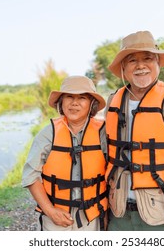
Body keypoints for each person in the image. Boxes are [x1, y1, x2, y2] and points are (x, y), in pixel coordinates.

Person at [104, 30, 164, 231]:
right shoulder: (112, 101)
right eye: (132, 60)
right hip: (118, 211)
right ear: (123, 67)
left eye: (147, 58)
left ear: (158, 62)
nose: (140, 65)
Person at [22, 75, 108, 231]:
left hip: (93, 216)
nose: (74, 103)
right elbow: (30, 175)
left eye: (82, 97)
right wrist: (50, 211)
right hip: (55, 217)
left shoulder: (104, 132)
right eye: (69, 97)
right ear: (61, 102)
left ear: (92, 104)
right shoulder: (48, 133)